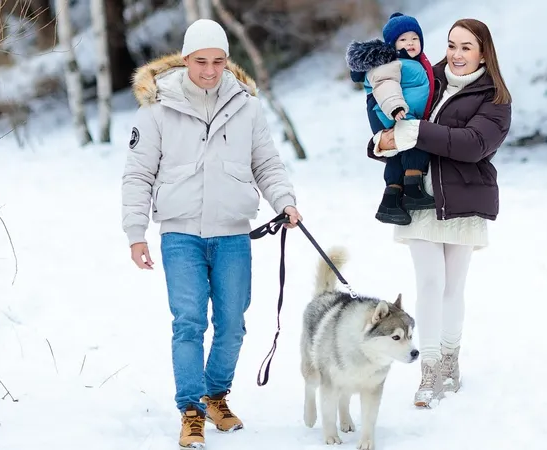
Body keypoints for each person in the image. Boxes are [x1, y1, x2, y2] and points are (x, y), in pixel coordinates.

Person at [121, 19, 302, 448]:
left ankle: (215, 395)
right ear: (185, 59)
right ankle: (191, 410)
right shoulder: (157, 108)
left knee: (233, 325)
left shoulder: (246, 106)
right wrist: (135, 232)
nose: (209, 70)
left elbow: (266, 163)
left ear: (227, 60)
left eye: (218, 61)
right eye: (201, 61)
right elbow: (138, 174)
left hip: (232, 233)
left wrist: (285, 201)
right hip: (180, 233)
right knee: (188, 323)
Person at [368, 18, 512, 408]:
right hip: (419, 199)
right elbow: (386, 115)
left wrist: (415, 132)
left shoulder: (495, 97)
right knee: (430, 283)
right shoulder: (424, 78)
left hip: (464, 201)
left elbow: (473, 144)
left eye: (466, 47)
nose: (457, 54)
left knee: (452, 287)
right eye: (451, 45)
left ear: (483, 52)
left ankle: (450, 360)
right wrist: (380, 142)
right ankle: (429, 367)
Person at [347, 12, 436, 225]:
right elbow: (385, 84)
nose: (410, 43)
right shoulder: (392, 62)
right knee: (416, 140)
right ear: (392, 44)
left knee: (396, 155)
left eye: (415, 38)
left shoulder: (410, 62)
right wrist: (394, 106)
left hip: (397, 114)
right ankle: (413, 190)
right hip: (393, 112)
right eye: (403, 39)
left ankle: (390, 201)